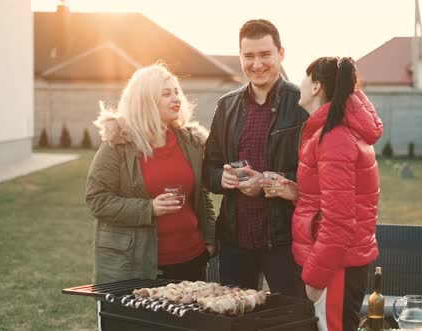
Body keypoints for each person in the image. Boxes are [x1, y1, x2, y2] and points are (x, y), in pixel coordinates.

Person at [203, 19, 309, 297]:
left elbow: (319, 177)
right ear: (240, 57)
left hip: (285, 240)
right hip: (235, 240)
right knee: (236, 321)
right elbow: (208, 170)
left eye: (265, 54)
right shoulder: (226, 106)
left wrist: (267, 183)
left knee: (290, 320)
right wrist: (221, 178)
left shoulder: (303, 104)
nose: (257, 64)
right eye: (249, 56)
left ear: (281, 54)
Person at [86, 63, 216, 284]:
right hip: (140, 264)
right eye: (166, 94)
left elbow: (201, 198)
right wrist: (149, 208)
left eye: (177, 92)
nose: (176, 98)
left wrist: (210, 243)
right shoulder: (118, 144)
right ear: (145, 100)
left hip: (192, 260)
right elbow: (97, 200)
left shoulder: (191, 142)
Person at [280, 57, 383, 331]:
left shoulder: (334, 138)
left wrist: (315, 277)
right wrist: (298, 194)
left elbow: (338, 220)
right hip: (339, 262)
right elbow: (335, 200)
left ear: (316, 87)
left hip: (335, 267)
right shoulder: (339, 133)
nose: (299, 84)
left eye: (305, 77)